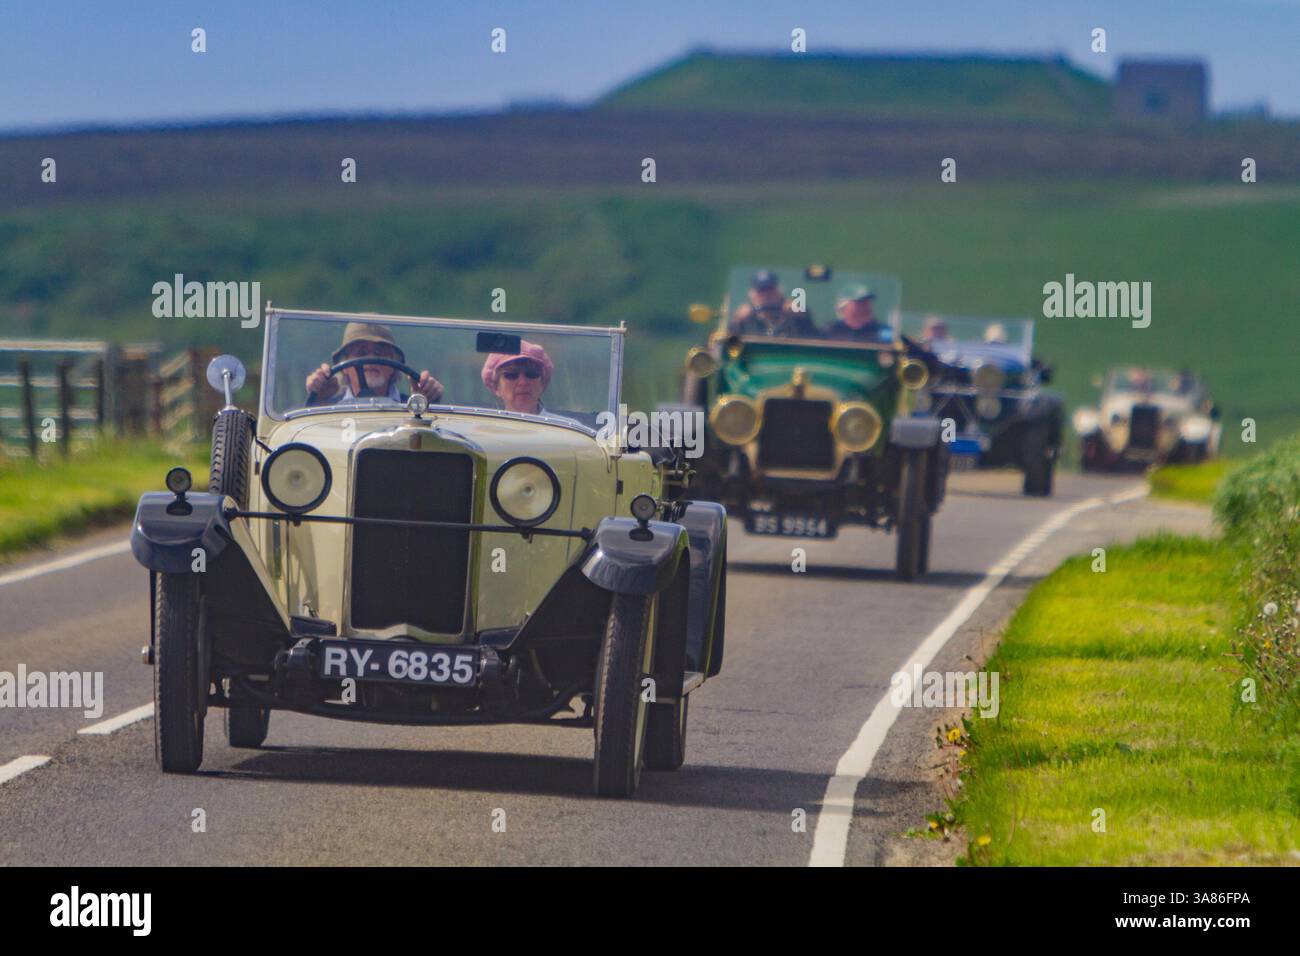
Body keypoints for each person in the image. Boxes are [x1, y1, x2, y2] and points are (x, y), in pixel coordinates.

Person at [305, 322, 443, 406]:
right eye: (361, 353)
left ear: (394, 365)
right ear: (344, 366)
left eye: (380, 352)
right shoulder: (327, 410)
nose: (371, 360)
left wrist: (427, 403)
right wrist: (318, 401)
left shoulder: (410, 407)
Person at [729, 270, 818, 337]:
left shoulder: (793, 317)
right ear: (752, 296)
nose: (767, 296)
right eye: (761, 292)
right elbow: (730, 344)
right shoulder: (747, 320)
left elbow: (813, 337)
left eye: (770, 291)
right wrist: (737, 321)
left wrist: (802, 315)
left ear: (779, 292)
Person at [481, 340, 554, 415]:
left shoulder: (561, 425)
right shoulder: (487, 426)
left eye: (531, 374)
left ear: (542, 384)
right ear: (497, 388)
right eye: (511, 375)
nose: (523, 382)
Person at [824, 284, 891, 342]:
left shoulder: (883, 332)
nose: (866, 307)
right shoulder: (831, 331)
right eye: (860, 303)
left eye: (867, 302)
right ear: (843, 306)